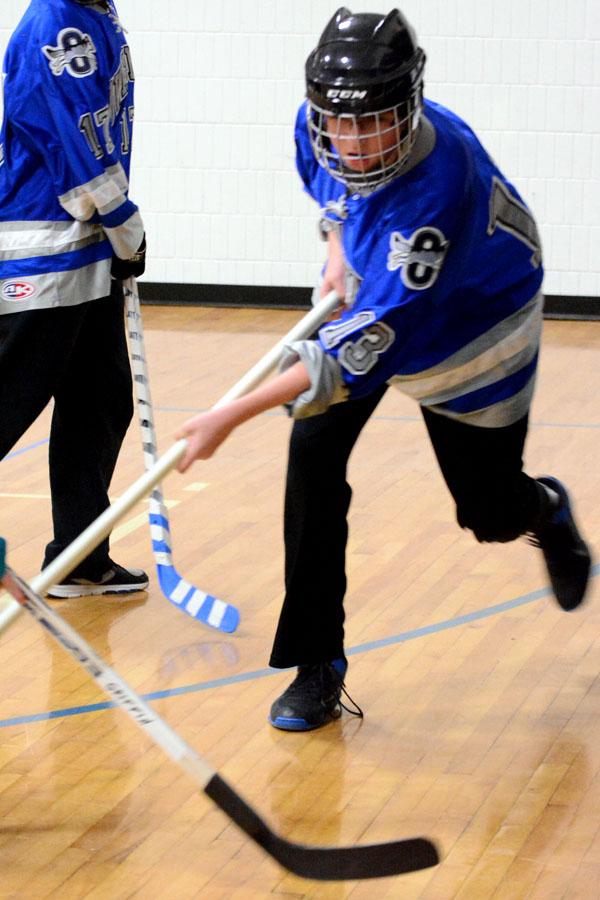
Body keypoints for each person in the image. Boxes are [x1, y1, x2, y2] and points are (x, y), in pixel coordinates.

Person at [176, 7, 592, 730]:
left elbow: (342, 360)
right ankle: (317, 663)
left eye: (374, 122)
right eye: (341, 122)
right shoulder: (322, 130)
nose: (356, 140)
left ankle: (546, 512)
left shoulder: (438, 196)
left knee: (487, 513)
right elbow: (337, 199)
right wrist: (337, 250)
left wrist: (225, 417)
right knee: (311, 458)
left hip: (475, 325)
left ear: (411, 103)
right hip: (383, 294)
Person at [0, 0, 149, 598]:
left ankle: (79, 558)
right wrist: (125, 223)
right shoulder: (54, 25)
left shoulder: (97, 12)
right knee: (10, 397)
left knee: (100, 399)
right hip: (45, 250)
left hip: (86, 250)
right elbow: (76, 149)